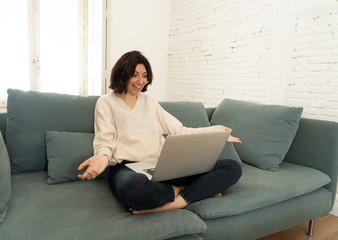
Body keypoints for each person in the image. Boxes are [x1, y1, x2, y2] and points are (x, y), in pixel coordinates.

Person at [78, 50, 242, 214]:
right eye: (135, 75)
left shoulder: (149, 101)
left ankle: (177, 202)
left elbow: (179, 130)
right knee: (136, 190)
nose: (140, 81)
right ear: (122, 73)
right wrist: (102, 156)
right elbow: (104, 140)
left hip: (160, 166)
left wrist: (215, 131)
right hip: (127, 169)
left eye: (144, 75)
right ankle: (188, 190)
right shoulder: (106, 102)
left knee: (232, 167)